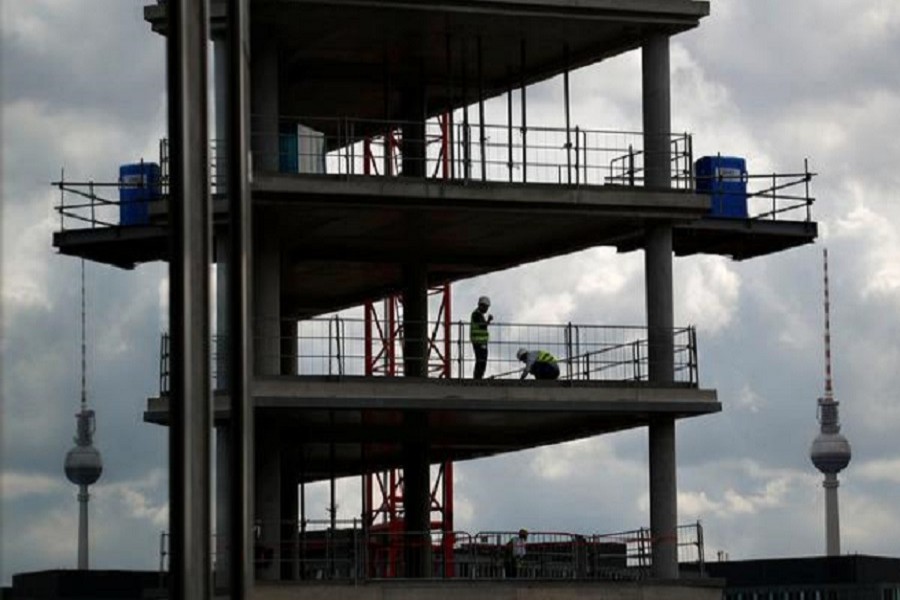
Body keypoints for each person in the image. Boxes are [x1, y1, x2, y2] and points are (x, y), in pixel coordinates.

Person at [470, 296, 493, 379]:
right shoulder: (476, 314)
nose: (486, 309)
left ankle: (479, 376)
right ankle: (478, 377)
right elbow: (482, 326)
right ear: (481, 305)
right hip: (478, 341)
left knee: (482, 360)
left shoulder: (479, 315)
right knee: (481, 360)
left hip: (481, 341)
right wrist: (488, 320)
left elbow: (482, 326)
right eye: (486, 307)